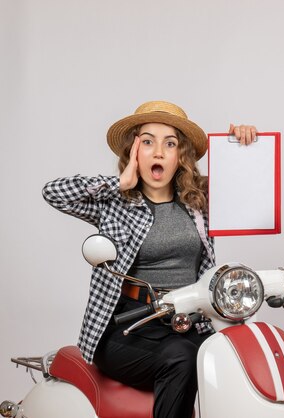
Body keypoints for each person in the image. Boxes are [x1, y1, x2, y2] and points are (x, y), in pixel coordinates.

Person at [42, 100, 257, 418]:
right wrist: (120, 183)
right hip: (128, 328)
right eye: (147, 142)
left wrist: (242, 147)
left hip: (190, 323)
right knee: (183, 356)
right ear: (134, 152)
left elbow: (252, 190)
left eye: (169, 144)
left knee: (228, 354)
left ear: (179, 156)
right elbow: (53, 192)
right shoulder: (114, 203)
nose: (158, 152)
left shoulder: (200, 200)